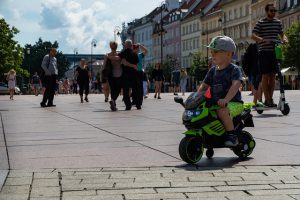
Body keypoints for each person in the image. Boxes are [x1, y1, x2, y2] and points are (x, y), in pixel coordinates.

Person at [198, 36, 244, 147]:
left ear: (228, 54)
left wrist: (226, 99)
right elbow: (203, 87)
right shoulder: (212, 71)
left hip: (233, 103)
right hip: (216, 104)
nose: (212, 54)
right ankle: (211, 136)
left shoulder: (234, 69)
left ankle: (232, 136)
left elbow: (236, 84)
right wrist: (196, 99)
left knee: (222, 111)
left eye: (216, 51)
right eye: (212, 51)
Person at [252, 3, 288, 107]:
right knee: (265, 75)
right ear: (267, 11)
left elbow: (281, 34)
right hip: (264, 52)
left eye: (274, 11)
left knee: (273, 76)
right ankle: (267, 99)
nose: (273, 12)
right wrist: (262, 40)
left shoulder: (278, 22)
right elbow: (253, 35)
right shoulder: (261, 22)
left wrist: (284, 39)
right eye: (271, 11)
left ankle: (270, 99)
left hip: (275, 51)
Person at [104, 41, 123, 111]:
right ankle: (113, 101)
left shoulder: (107, 55)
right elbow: (120, 60)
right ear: (117, 46)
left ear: (110, 47)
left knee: (112, 89)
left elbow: (103, 66)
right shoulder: (120, 55)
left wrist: (102, 76)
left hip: (110, 75)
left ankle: (113, 102)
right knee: (118, 90)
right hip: (119, 74)